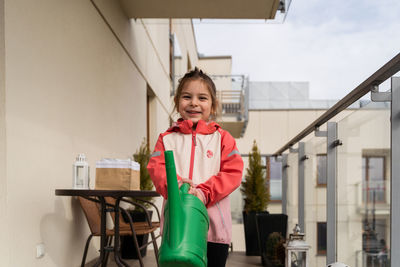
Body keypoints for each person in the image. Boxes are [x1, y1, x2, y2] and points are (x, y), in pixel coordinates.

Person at [147, 67, 244, 267]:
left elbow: (232, 172)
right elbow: (157, 169)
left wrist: (204, 193)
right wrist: (179, 186)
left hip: (214, 232)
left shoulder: (223, 139)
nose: (194, 103)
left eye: (202, 98)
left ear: (213, 105)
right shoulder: (166, 139)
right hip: (177, 230)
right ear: (177, 102)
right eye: (186, 96)